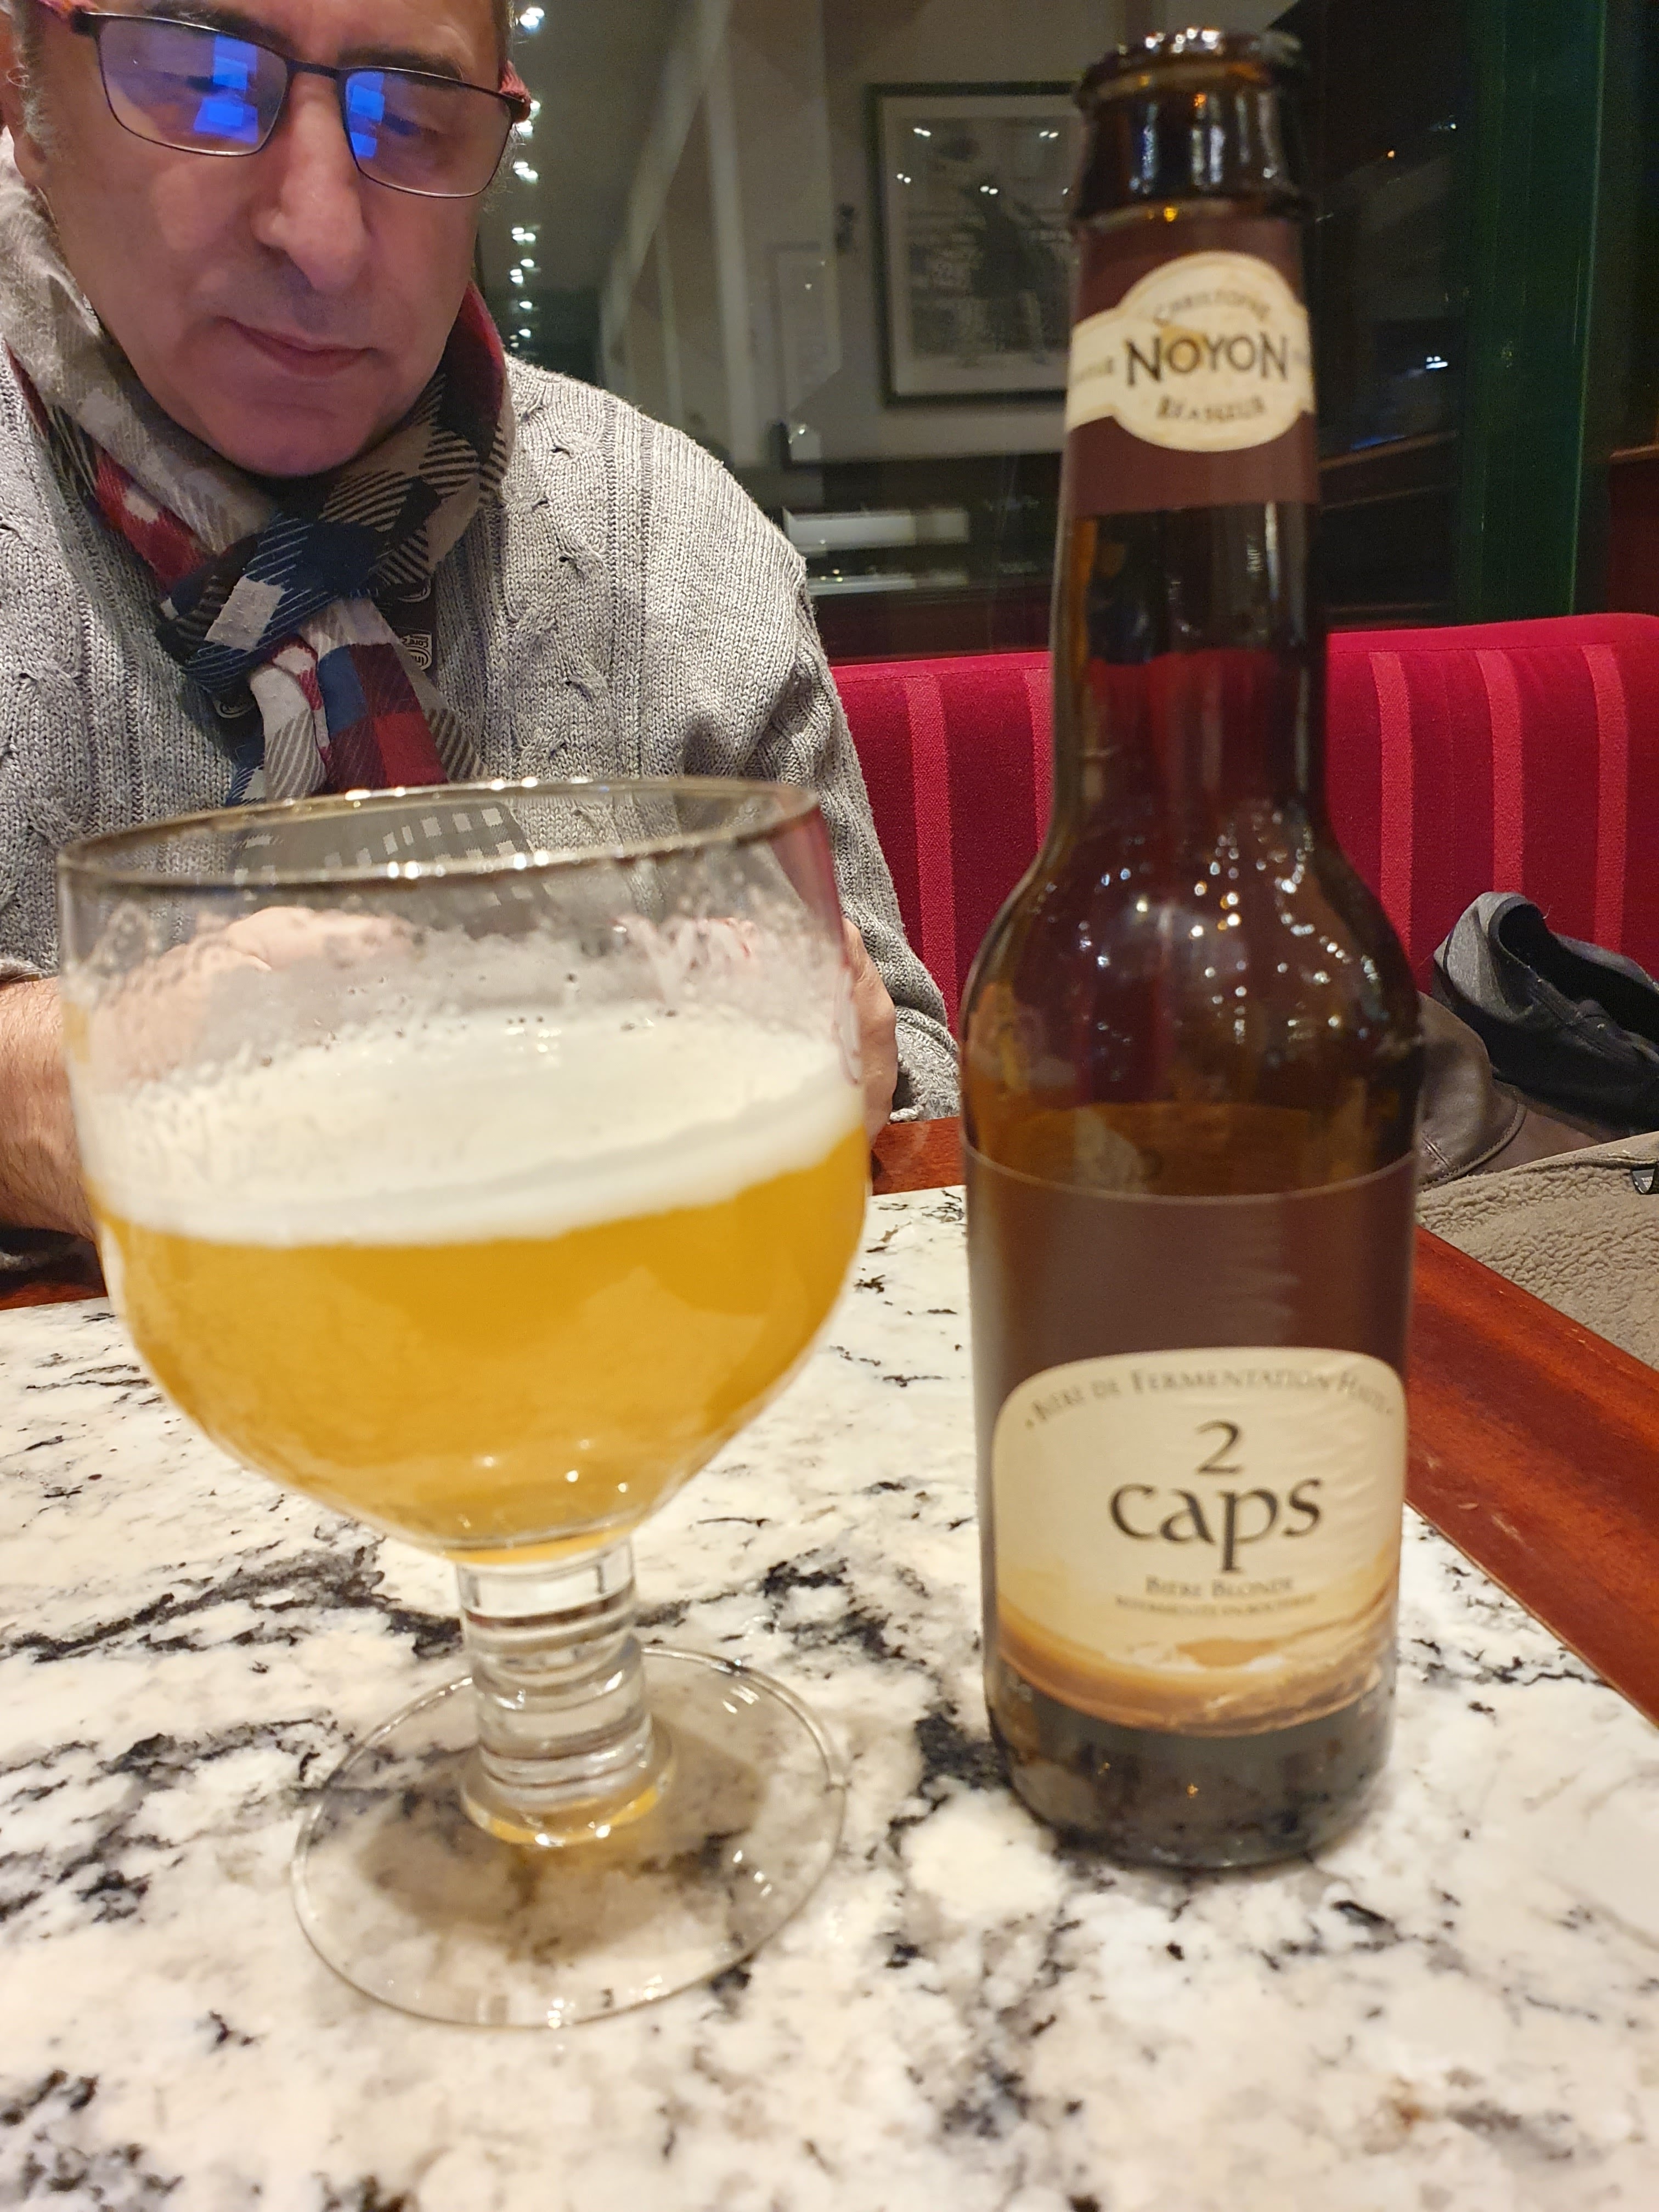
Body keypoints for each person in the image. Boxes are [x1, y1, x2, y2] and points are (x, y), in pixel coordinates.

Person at [0, 0, 957, 1263]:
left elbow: (912, 1076)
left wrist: (848, 1046)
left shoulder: (674, 531)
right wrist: (24, 1096)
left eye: (411, 114)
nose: (323, 238)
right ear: (24, 89)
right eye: (206, 84)